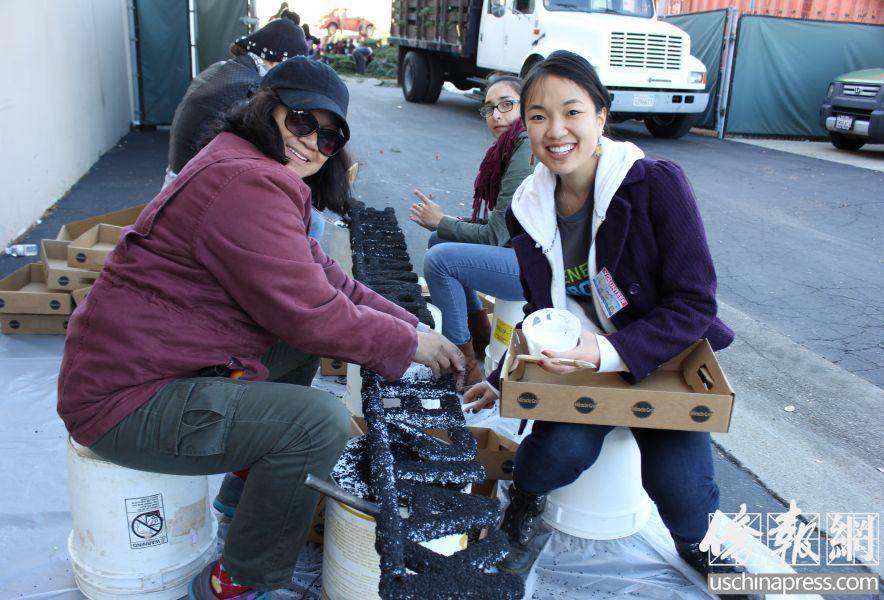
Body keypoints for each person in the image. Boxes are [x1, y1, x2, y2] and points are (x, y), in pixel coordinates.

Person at [57, 57, 464, 600]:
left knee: (294, 349)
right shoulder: (247, 183)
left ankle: (241, 494)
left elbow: (327, 281)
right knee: (318, 423)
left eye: (329, 136)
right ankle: (239, 580)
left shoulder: (248, 166)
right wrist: (409, 344)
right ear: (265, 107)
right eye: (300, 120)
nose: (312, 143)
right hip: (125, 402)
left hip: (153, 368)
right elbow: (311, 312)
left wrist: (413, 325)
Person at [462, 51, 750, 589]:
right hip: (579, 367)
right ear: (525, 127)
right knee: (555, 455)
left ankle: (696, 543)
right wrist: (502, 374)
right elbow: (538, 311)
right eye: (538, 116)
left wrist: (606, 351)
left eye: (572, 111)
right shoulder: (528, 208)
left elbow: (694, 304)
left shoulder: (655, 185)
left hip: (662, 356)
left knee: (683, 495)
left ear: (601, 114)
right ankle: (522, 510)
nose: (556, 130)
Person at [410, 76, 534, 384]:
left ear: (529, 107)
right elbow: (503, 227)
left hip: (540, 269)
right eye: (490, 108)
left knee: (440, 259)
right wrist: (447, 225)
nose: (496, 115)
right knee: (440, 239)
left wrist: (443, 220)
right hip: (522, 251)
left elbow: (495, 236)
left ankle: (462, 365)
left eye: (507, 105)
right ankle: (479, 334)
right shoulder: (511, 147)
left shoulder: (525, 147)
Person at [165, 17, 307, 184]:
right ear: (276, 61)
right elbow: (270, 149)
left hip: (176, 177)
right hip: (198, 186)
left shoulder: (222, 68)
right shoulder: (252, 88)